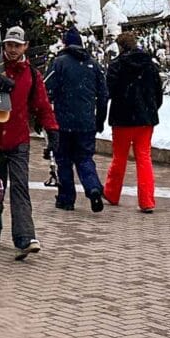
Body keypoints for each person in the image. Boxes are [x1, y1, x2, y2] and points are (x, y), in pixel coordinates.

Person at [0, 25, 59, 258]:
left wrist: (52, 130)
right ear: (3, 46)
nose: (12, 50)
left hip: (18, 140)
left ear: (25, 46)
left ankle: (24, 237)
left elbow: (42, 105)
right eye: (8, 45)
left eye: (17, 45)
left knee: (20, 189)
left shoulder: (32, 74)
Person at [45, 26, 108, 213]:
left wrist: (44, 118)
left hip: (63, 122)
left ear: (65, 43)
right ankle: (93, 187)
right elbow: (103, 95)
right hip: (86, 122)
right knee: (84, 158)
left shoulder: (59, 63)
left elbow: (45, 91)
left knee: (63, 160)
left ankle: (66, 199)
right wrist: (99, 120)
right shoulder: (94, 65)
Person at [103, 31, 163, 214]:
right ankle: (146, 201)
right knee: (144, 158)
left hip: (122, 119)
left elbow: (109, 92)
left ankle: (112, 193)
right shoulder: (149, 66)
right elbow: (158, 93)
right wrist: (150, 109)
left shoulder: (116, 66)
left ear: (121, 47)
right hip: (145, 119)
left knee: (119, 157)